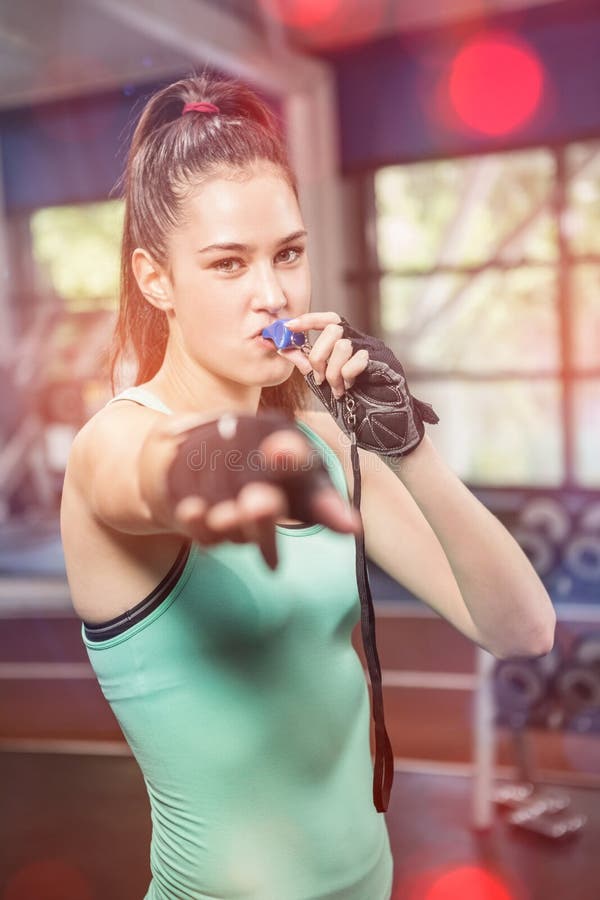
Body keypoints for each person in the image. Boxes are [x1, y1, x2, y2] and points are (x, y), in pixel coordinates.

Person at [60, 71, 556, 900]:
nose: (274, 294)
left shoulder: (323, 440)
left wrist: (407, 449)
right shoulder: (111, 443)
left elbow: (522, 629)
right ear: (155, 280)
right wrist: (242, 467)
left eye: (288, 253)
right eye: (228, 264)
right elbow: (157, 475)